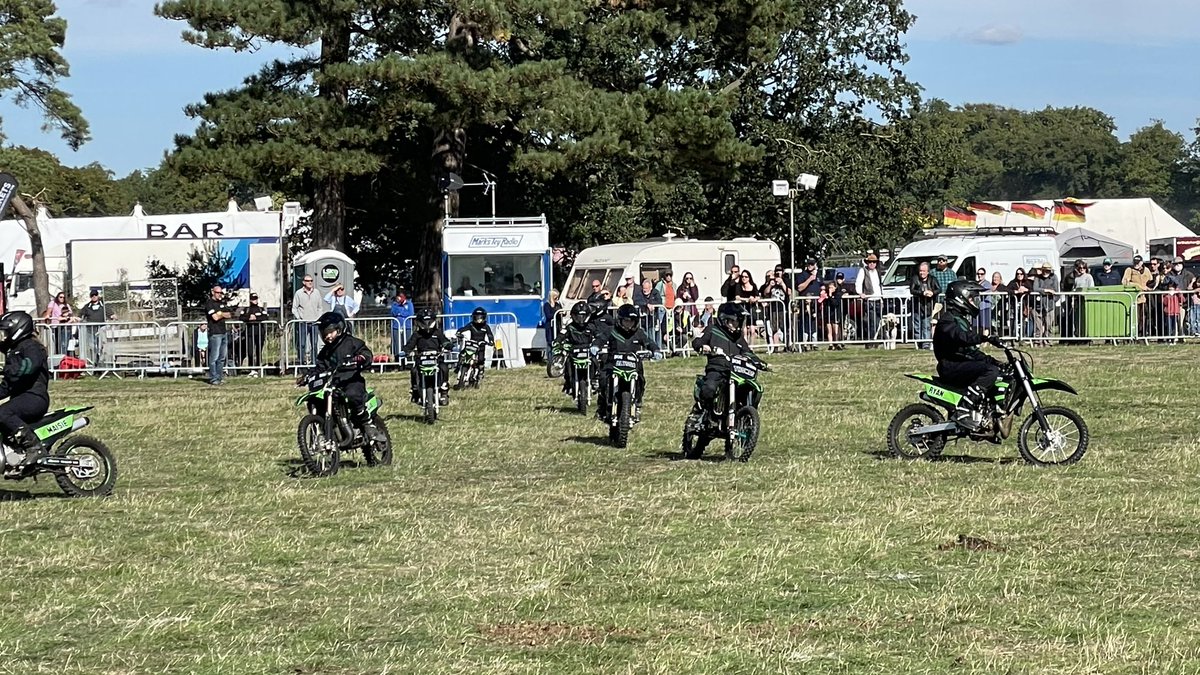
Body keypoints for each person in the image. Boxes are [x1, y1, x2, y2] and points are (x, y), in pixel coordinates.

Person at [305, 311, 385, 443]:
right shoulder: (324, 352)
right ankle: (324, 430)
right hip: (332, 384)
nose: (327, 336)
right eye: (323, 333)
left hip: (351, 380)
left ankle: (367, 423)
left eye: (329, 332)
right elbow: (319, 367)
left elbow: (366, 354)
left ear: (339, 329)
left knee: (353, 394)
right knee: (315, 399)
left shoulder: (352, 342)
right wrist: (308, 375)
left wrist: (361, 358)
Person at [933, 280, 1002, 432]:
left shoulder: (962, 320)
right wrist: (983, 337)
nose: (973, 302)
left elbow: (971, 352)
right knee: (990, 371)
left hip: (959, 363)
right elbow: (961, 337)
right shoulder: (947, 320)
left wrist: (995, 361)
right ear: (961, 298)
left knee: (994, 368)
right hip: (950, 366)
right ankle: (964, 409)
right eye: (971, 299)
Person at [690, 302, 769, 417]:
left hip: (736, 371)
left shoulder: (738, 338)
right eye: (733, 321)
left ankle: (744, 415)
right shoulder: (712, 330)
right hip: (717, 369)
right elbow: (697, 341)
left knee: (750, 388)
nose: (736, 324)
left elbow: (747, 352)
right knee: (709, 388)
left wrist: (759, 362)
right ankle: (700, 411)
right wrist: (702, 347)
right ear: (724, 320)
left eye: (738, 321)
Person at [592, 304, 661, 422]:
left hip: (633, 365)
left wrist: (655, 350)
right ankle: (602, 405)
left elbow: (649, 342)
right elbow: (601, 339)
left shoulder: (638, 333)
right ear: (620, 320)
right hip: (613, 364)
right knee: (603, 379)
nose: (628, 324)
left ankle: (637, 404)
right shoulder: (612, 330)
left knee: (641, 380)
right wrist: (595, 346)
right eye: (626, 321)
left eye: (631, 321)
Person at [0, 311, 51, 468]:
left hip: (34, 397)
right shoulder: (14, 351)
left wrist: (8, 370)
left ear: (18, 329)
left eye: (6, 332)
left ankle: (34, 447)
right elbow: (8, 386)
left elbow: (30, 366)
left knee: (2, 413)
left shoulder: (31, 346)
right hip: (21, 398)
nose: (4, 337)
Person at [401, 307, 453, 406]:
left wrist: (449, 346)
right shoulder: (417, 334)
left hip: (436, 359)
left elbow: (444, 341)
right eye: (424, 322)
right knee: (414, 371)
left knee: (444, 368)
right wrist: (405, 351)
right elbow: (410, 345)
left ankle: (444, 391)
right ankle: (415, 391)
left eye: (429, 321)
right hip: (421, 360)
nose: (427, 324)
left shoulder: (437, 333)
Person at [553, 301, 595, 395]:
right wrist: (557, 342)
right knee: (568, 365)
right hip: (574, 352)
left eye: (583, 316)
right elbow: (561, 336)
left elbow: (599, 336)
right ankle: (568, 383)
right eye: (578, 316)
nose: (581, 319)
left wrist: (597, 344)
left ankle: (593, 381)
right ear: (573, 316)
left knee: (595, 363)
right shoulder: (570, 327)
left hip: (588, 352)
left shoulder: (591, 327)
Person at [454, 307, 495, 387]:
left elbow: (490, 335)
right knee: (462, 354)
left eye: (480, 317)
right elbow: (463, 328)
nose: (478, 319)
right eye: (477, 317)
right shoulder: (471, 325)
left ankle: (480, 372)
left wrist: (491, 341)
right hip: (471, 345)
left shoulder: (486, 327)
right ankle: (458, 367)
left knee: (480, 360)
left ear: (484, 317)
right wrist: (459, 332)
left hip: (481, 346)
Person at [291, 274, 325, 365]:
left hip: (314, 322)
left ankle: (314, 362)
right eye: (308, 281)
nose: (310, 282)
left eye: (311, 281)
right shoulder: (299, 293)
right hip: (303, 323)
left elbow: (320, 307)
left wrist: (318, 318)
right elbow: (294, 308)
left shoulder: (317, 292)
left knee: (314, 344)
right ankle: (301, 363)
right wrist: (299, 318)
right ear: (304, 282)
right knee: (302, 344)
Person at [205, 285, 232, 385]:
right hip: (215, 333)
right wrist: (221, 314)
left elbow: (229, 314)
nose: (219, 294)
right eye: (217, 292)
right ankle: (213, 378)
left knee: (222, 358)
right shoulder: (209, 303)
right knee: (214, 358)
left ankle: (219, 377)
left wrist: (220, 313)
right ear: (213, 292)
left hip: (223, 332)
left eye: (221, 293)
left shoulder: (221, 303)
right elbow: (215, 317)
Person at [78, 289, 109, 364]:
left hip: (101, 329)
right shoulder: (87, 306)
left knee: (101, 345)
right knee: (92, 346)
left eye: (95, 295)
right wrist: (77, 319)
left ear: (98, 296)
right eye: (92, 295)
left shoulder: (103, 306)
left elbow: (110, 314)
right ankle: (94, 361)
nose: (94, 296)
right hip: (90, 330)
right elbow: (80, 316)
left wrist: (113, 316)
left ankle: (101, 360)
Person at [240, 292, 269, 373]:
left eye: (256, 299)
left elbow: (265, 317)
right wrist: (249, 318)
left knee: (259, 351)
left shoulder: (261, 309)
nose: (254, 301)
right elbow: (241, 317)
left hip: (260, 333)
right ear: (250, 300)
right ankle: (251, 368)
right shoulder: (247, 309)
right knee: (250, 351)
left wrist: (256, 318)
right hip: (249, 333)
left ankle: (258, 367)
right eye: (253, 299)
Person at [390, 290, 414, 359]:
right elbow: (393, 313)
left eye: (401, 296)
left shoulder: (409, 304)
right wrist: (399, 309)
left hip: (407, 326)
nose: (399, 298)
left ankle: (407, 359)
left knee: (407, 342)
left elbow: (410, 313)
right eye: (398, 296)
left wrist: (400, 313)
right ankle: (398, 359)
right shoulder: (394, 304)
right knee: (397, 343)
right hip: (396, 326)